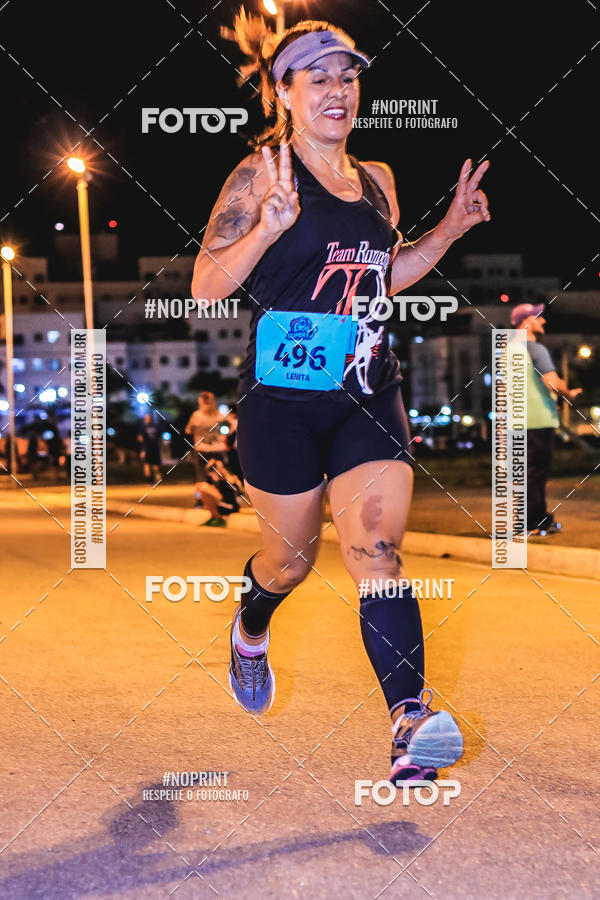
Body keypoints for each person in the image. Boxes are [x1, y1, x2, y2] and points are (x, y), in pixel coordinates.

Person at [192, 13, 491, 786]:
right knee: (289, 560)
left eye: (348, 76)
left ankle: (408, 721)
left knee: (378, 552)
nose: (338, 89)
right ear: (284, 93)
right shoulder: (261, 175)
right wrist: (266, 229)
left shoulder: (379, 181)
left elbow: (382, 275)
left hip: (368, 393)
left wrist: (448, 231)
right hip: (283, 404)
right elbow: (205, 287)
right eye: (318, 76)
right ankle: (251, 627)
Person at [511, 303, 582, 536]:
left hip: (517, 422)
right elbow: (552, 382)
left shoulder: (508, 351)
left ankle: (537, 520)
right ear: (526, 321)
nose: (542, 321)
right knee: (536, 473)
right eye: (538, 317)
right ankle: (531, 522)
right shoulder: (535, 349)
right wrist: (568, 392)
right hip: (538, 420)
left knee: (527, 473)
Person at [185, 391, 233, 507]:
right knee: (220, 475)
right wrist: (223, 436)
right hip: (218, 448)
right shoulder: (220, 416)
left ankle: (200, 500)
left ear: (200, 401)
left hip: (201, 449)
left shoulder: (196, 415)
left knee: (201, 476)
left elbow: (188, 430)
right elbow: (231, 427)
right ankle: (223, 498)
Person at [198, 456, 243, 527]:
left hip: (231, 507)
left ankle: (218, 518)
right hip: (224, 505)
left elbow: (238, 497)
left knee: (204, 487)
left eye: (216, 468)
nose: (213, 472)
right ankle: (215, 517)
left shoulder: (230, 479)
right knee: (202, 487)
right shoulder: (217, 481)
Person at [138, 413, 162, 483]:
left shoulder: (156, 426)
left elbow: (160, 438)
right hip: (147, 449)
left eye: (149, 418)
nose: (148, 419)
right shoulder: (143, 427)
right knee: (146, 464)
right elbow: (140, 438)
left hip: (155, 448)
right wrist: (142, 450)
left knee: (155, 465)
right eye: (147, 418)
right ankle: (149, 481)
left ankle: (156, 478)